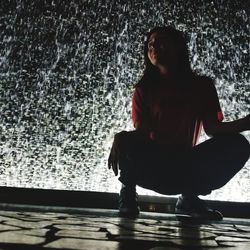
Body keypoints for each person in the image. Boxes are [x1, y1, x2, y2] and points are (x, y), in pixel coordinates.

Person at [108, 26, 250, 220]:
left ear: (178, 47)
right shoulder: (144, 90)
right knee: (125, 140)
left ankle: (188, 199)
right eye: (150, 44)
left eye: (161, 42)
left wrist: (246, 123)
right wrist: (121, 138)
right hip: (155, 165)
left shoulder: (202, 86)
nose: (154, 47)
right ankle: (128, 193)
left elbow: (213, 129)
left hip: (187, 166)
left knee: (239, 144)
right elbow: (142, 132)